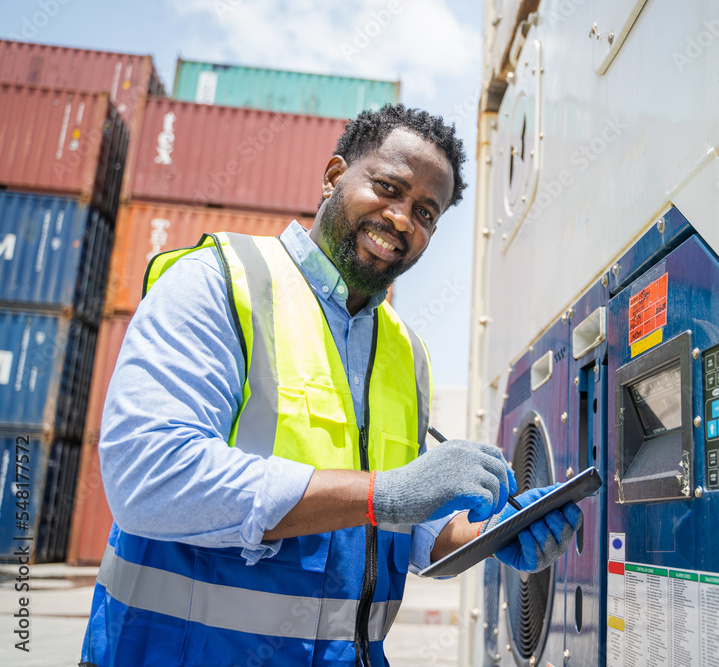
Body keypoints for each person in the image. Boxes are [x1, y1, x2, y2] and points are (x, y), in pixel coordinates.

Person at [80, 105, 582, 667]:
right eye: (387, 187)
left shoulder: (406, 353)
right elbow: (148, 478)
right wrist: (381, 493)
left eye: (424, 212)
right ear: (332, 176)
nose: (400, 219)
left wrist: (490, 535)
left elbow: (398, 521)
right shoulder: (218, 281)